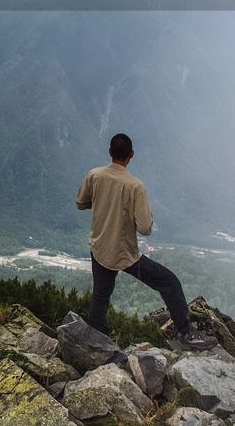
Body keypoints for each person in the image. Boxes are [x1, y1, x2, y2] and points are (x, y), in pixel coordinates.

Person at [76, 132, 216, 350]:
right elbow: (144, 228)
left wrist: (104, 205)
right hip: (125, 253)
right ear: (131, 155)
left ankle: (96, 344)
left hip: (99, 247)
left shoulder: (94, 175)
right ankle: (187, 333)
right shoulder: (135, 186)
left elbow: (81, 202)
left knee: (100, 297)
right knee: (169, 283)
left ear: (110, 152)